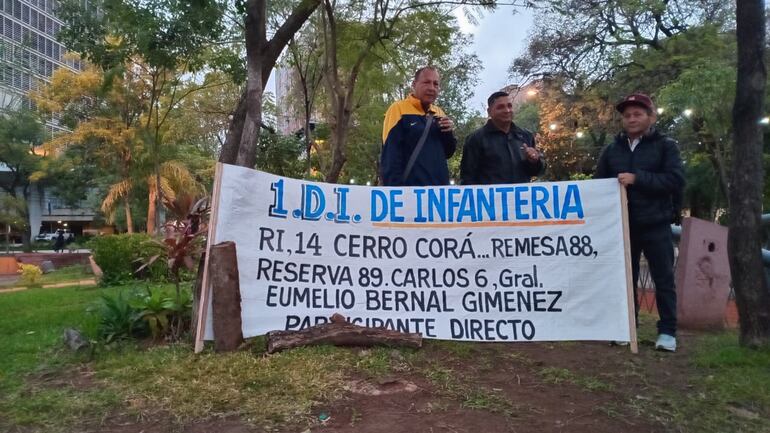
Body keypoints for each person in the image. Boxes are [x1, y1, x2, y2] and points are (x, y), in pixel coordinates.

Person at [595, 93, 685, 352]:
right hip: (623, 225)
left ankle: (667, 332)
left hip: (656, 223)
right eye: (627, 115)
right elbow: (599, 184)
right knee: (625, 278)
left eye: (638, 114)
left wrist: (638, 179)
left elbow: (675, 180)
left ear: (650, 117)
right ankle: (627, 326)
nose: (632, 119)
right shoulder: (612, 150)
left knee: (663, 278)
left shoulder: (666, 146)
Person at [380, 66, 456, 186]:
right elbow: (391, 155)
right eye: (426, 82)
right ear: (414, 84)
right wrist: (395, 192)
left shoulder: (439, 112)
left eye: (436, 84)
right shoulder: (398, 109)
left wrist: (448, 133)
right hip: (410, 194)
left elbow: (448, 152)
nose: (431, 88)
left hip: (439, 193)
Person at [460, 91, 544, 185]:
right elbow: (467, 177)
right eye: (500, 107)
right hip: (490, 199)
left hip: (521, 198)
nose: (507, 110)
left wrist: (535, 161)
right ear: (489, 112)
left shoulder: (526, 136)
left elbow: (537, 172)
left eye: (509, 106)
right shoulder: (476, 139)